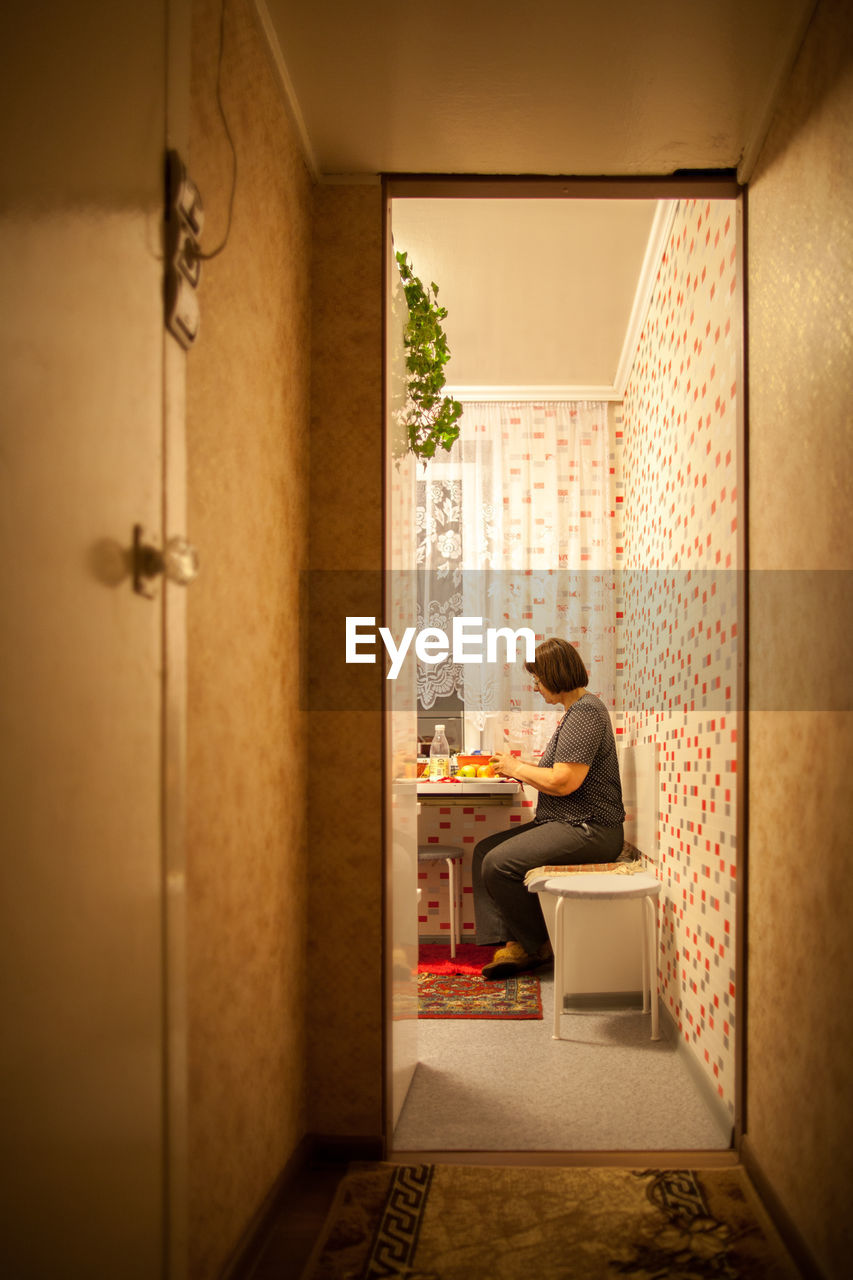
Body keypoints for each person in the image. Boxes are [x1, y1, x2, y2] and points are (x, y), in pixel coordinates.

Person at [473, 637, 625, 980]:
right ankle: (514, 943)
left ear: (555, 676)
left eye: (539, 679)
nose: (537, 686)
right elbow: (557, 774)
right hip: (569, 822)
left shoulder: (586, 712)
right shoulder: (576, 713)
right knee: (484, 852)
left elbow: (563, 781)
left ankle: (537, 944)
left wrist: (515, 768)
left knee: (499, 863)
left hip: (591, 829)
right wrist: (515, 764)